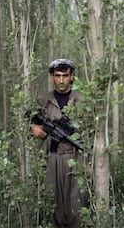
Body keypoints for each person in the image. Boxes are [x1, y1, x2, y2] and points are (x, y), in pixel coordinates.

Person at [31, 59, 85, 228]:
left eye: (65, 76)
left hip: (75, 158)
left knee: (76, 207)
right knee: (52, 205)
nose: (61, 80)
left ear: (72, 77)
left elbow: (91, 132)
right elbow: (31, 122)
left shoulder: (81, 101)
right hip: (50, 159)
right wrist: (33, 128)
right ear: (52, 77)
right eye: (57, 76)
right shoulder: (43, 100)